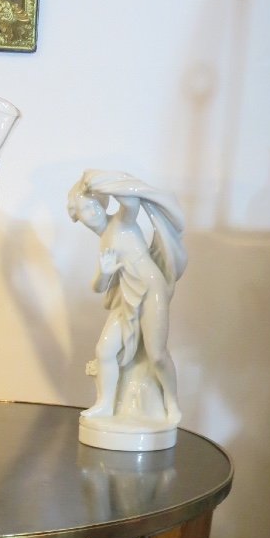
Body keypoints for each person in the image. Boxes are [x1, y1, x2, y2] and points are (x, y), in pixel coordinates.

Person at [67, 170, 187, 426]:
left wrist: (105, 181)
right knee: (105, 350)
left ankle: (172, 402)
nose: (94, 212)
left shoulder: (121, 223)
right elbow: (99, 286)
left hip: (151, 290)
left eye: (94, 205)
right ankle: (105, 404)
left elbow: (131, 202)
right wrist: (105, 272)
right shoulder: (104, 240)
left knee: (157, 354)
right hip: (126, 298)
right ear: (78, 217)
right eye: (85, 210)